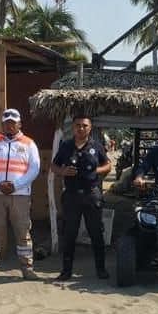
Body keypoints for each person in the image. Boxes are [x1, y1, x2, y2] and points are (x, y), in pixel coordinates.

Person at [0, 108, 41, 280]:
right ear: (2, 124)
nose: (9, 126)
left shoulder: (29, 144)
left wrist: (16, 184)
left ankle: (27, 268)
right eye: (6, 123)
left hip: (20, 194)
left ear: (19, 124)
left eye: (13, 123)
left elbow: (34, 169)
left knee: (22, 231)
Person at [51, 115, 111, 281]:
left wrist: (96, 171)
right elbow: (54, 166)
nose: (81, 128)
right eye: (78, 125)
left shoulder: (97, 146)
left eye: (84, 125)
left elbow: (108, 165)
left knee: (96, 234)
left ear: (90, 128)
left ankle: (101, 270)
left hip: (91, 195)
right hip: (71, 196)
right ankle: (66, 271)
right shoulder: (66, 146)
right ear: (74, 127)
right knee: (69, 234)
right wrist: (63, 172)